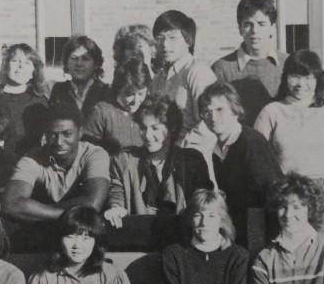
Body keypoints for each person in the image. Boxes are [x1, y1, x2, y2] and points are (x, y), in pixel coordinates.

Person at [254, 50, 324, 238]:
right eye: (295, 76)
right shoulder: (272, 112)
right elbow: (260, 159)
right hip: (286, 194)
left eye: (308, 77)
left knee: (323, 250)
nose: (301, 84)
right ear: (285, 78)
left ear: (318, 79)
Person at [104, 95, 212, 228]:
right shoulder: (124, 160)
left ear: (171, 128)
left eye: (155, 128)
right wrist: (115, 207)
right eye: (143, 128)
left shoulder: (191, 160)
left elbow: (204, 201)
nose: (147, 135)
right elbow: (116, 191)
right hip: (139, 235)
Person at [196, 82, 282, 247]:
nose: (213, 117)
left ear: (235, 111)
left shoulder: (250, 142)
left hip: (258, 230)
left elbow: (269, 195)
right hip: (238, 228)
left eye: (220, 109)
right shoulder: (217, 148)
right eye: (207, 112)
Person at [2, 102, 110, 223]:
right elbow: (11, 204)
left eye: (67, 134)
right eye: (53, 135)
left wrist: (38, 209)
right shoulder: (31, 159)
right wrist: (69, 215)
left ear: (80, 132)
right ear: (46, 134)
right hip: (53, 227)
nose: (59, 142)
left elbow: (93, 203)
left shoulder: (94, 154)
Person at [211, 0, 288, 126]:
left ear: (272, 28)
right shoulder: (222, 68)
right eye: (248, 24)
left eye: (261, 24)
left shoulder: (288, 63)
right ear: (240, 29)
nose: (255, 31)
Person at [150, 10, 217, 141]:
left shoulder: (197, 72)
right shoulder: (158, 78)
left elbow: (208, 123)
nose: (164, 44)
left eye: (172, 38)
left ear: (188, 41)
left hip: (192, 152)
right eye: (160, 38)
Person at [0, 43, 49, 157]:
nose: (20, 66)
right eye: (15, 61)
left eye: (27, 62)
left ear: (33, 71)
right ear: (6, 66)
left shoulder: (41, 102)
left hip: (30, 162)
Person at [82, 57, 148, 154]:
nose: (136, 101)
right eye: (129, 94)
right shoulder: (101, 113)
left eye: (141, 94)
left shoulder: (146, 112)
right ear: (118, 89)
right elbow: (86, 154)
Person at [49, 35, 112, 119]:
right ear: (66, 63)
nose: (79, 64)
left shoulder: (106, 92)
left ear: (96, 64)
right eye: (74, 58)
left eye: (85, 59)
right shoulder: (59, 91)